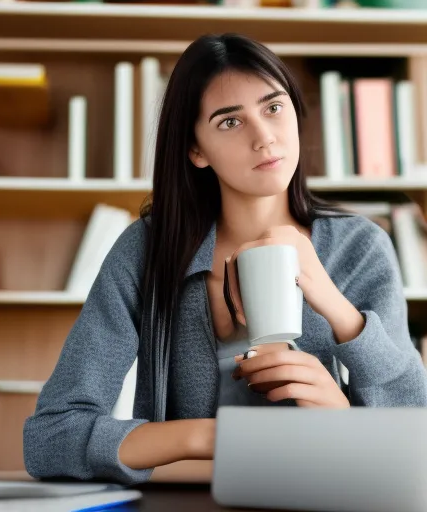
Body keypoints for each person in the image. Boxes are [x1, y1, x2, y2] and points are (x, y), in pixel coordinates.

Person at [23, 33, 427, 486]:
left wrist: (337, 390)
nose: (264, 137)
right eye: (230, 122)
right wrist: (211, 437)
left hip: (329, 497)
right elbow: (50, 438)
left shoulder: (360, 246)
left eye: (273, 108)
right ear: (196, 150)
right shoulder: (147, 251)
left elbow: (414, 435)